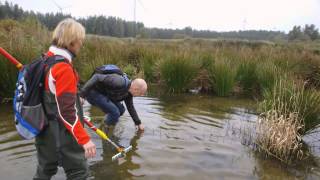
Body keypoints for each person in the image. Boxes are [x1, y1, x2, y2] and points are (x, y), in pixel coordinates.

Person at [34, 18, 96, 180]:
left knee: (45, 170)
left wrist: (80, 111)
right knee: (79, 173)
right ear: (72, 41)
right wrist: (84, 139)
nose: (81, 44)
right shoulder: (63, 68)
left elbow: (54, 98)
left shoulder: (45, 60)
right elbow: (67, 112)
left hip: (43, 131)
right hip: (64, 135)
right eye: (80, 40)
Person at [80, 67, 147, 132]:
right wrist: (82, 95)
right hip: (92, 93)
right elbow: (97, 77)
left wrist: (138, 123)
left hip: (104, 94)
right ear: (136, 89)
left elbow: (130, 107)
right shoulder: (119, 81)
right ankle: (105, 129)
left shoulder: (129, 93)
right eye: (140, 93)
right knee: (115, 112)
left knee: (121, 110)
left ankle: (107, 122)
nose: (140, 95)